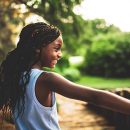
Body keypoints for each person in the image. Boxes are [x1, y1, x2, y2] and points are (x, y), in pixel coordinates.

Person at [0, 22, 130, 130]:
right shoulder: (46, 79)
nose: (60, 54)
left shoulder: (15, 78)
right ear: (37, 48)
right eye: (56, 49)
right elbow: (95, 97)